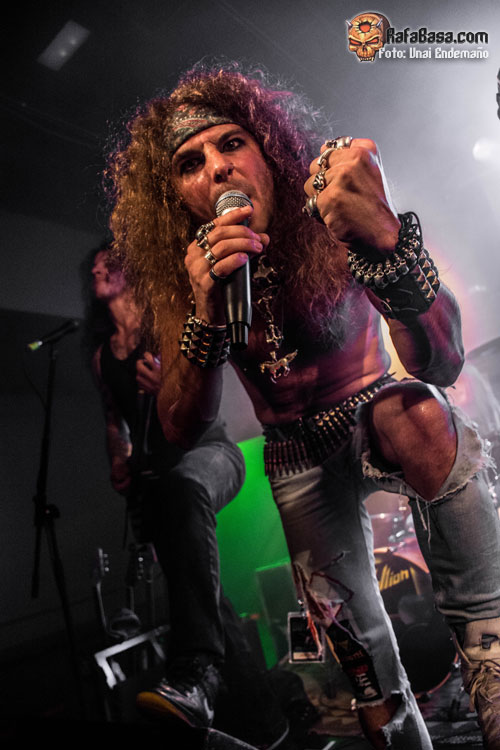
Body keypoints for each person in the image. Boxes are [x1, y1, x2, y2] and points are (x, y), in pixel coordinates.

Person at [104, 64, 500, 750]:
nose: (217, 168)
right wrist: (205, 319)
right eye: (191, 163)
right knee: (363, 669)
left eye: (232, 143)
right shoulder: (184, 278)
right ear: (177, 198)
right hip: (295, 455)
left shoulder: (325, 216)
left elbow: (441, 364)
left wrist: (385, 239)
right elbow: (179, 427)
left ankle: (491, 656)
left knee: (418, 410)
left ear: (269, 153)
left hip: (375, 412)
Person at [88, 247, 293, 748]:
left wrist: (170, 385)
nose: (97, 267)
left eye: (108, 260)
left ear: (129, 269)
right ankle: (268, 725)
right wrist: (119, 458)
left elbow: (207, 389)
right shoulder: (101, 357)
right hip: (160, 481)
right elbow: (115, 420)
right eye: (92, 265)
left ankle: (195, 668)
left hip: (212, 453)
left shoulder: (166, 320)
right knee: (204, 598)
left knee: (185, 488)